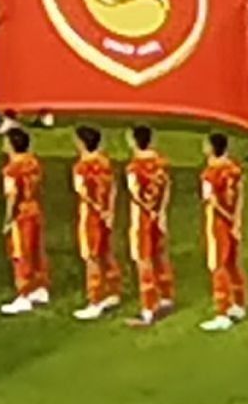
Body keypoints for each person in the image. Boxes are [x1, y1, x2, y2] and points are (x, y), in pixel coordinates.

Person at [69, 126, 122, 322]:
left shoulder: (81, 168)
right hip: (106, 214)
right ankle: (112, 291)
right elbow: (113, 188)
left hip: (90, 216)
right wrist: (108, 211)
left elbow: (83, 192)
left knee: (91, 256)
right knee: (106, 252)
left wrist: (97, 208)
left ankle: (95, 299)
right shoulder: (105, 163)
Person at [0, 126, 51, 315]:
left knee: (21, 254)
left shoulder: (11, 170)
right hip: (35, 209)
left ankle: (25, 293)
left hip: (21, 214)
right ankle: (40, 288)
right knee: (36, 250)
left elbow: (13, 195)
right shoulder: (33, 163)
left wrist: (8, 218)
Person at [126, 126, 176, 324]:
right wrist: (159, 210)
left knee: (143, 259)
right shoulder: (161, 163)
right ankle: (166, 298)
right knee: (160, 256)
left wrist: (148, 209)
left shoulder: (134, 167)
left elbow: (135, 193)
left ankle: (148, 308)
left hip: (142, 218)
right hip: (159, 216)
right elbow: (167, 188)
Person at [199, 131, 248, 329]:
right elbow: (241, 194)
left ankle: (222, 312)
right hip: (233, 223)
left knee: (218, 265)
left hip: (217, 224)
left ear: (212, 148)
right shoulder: (235, 169)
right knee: (233, 263)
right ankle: (239, 304)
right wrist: (236, 221)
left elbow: (211, 201)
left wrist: (227, 218)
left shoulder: (208, 174)